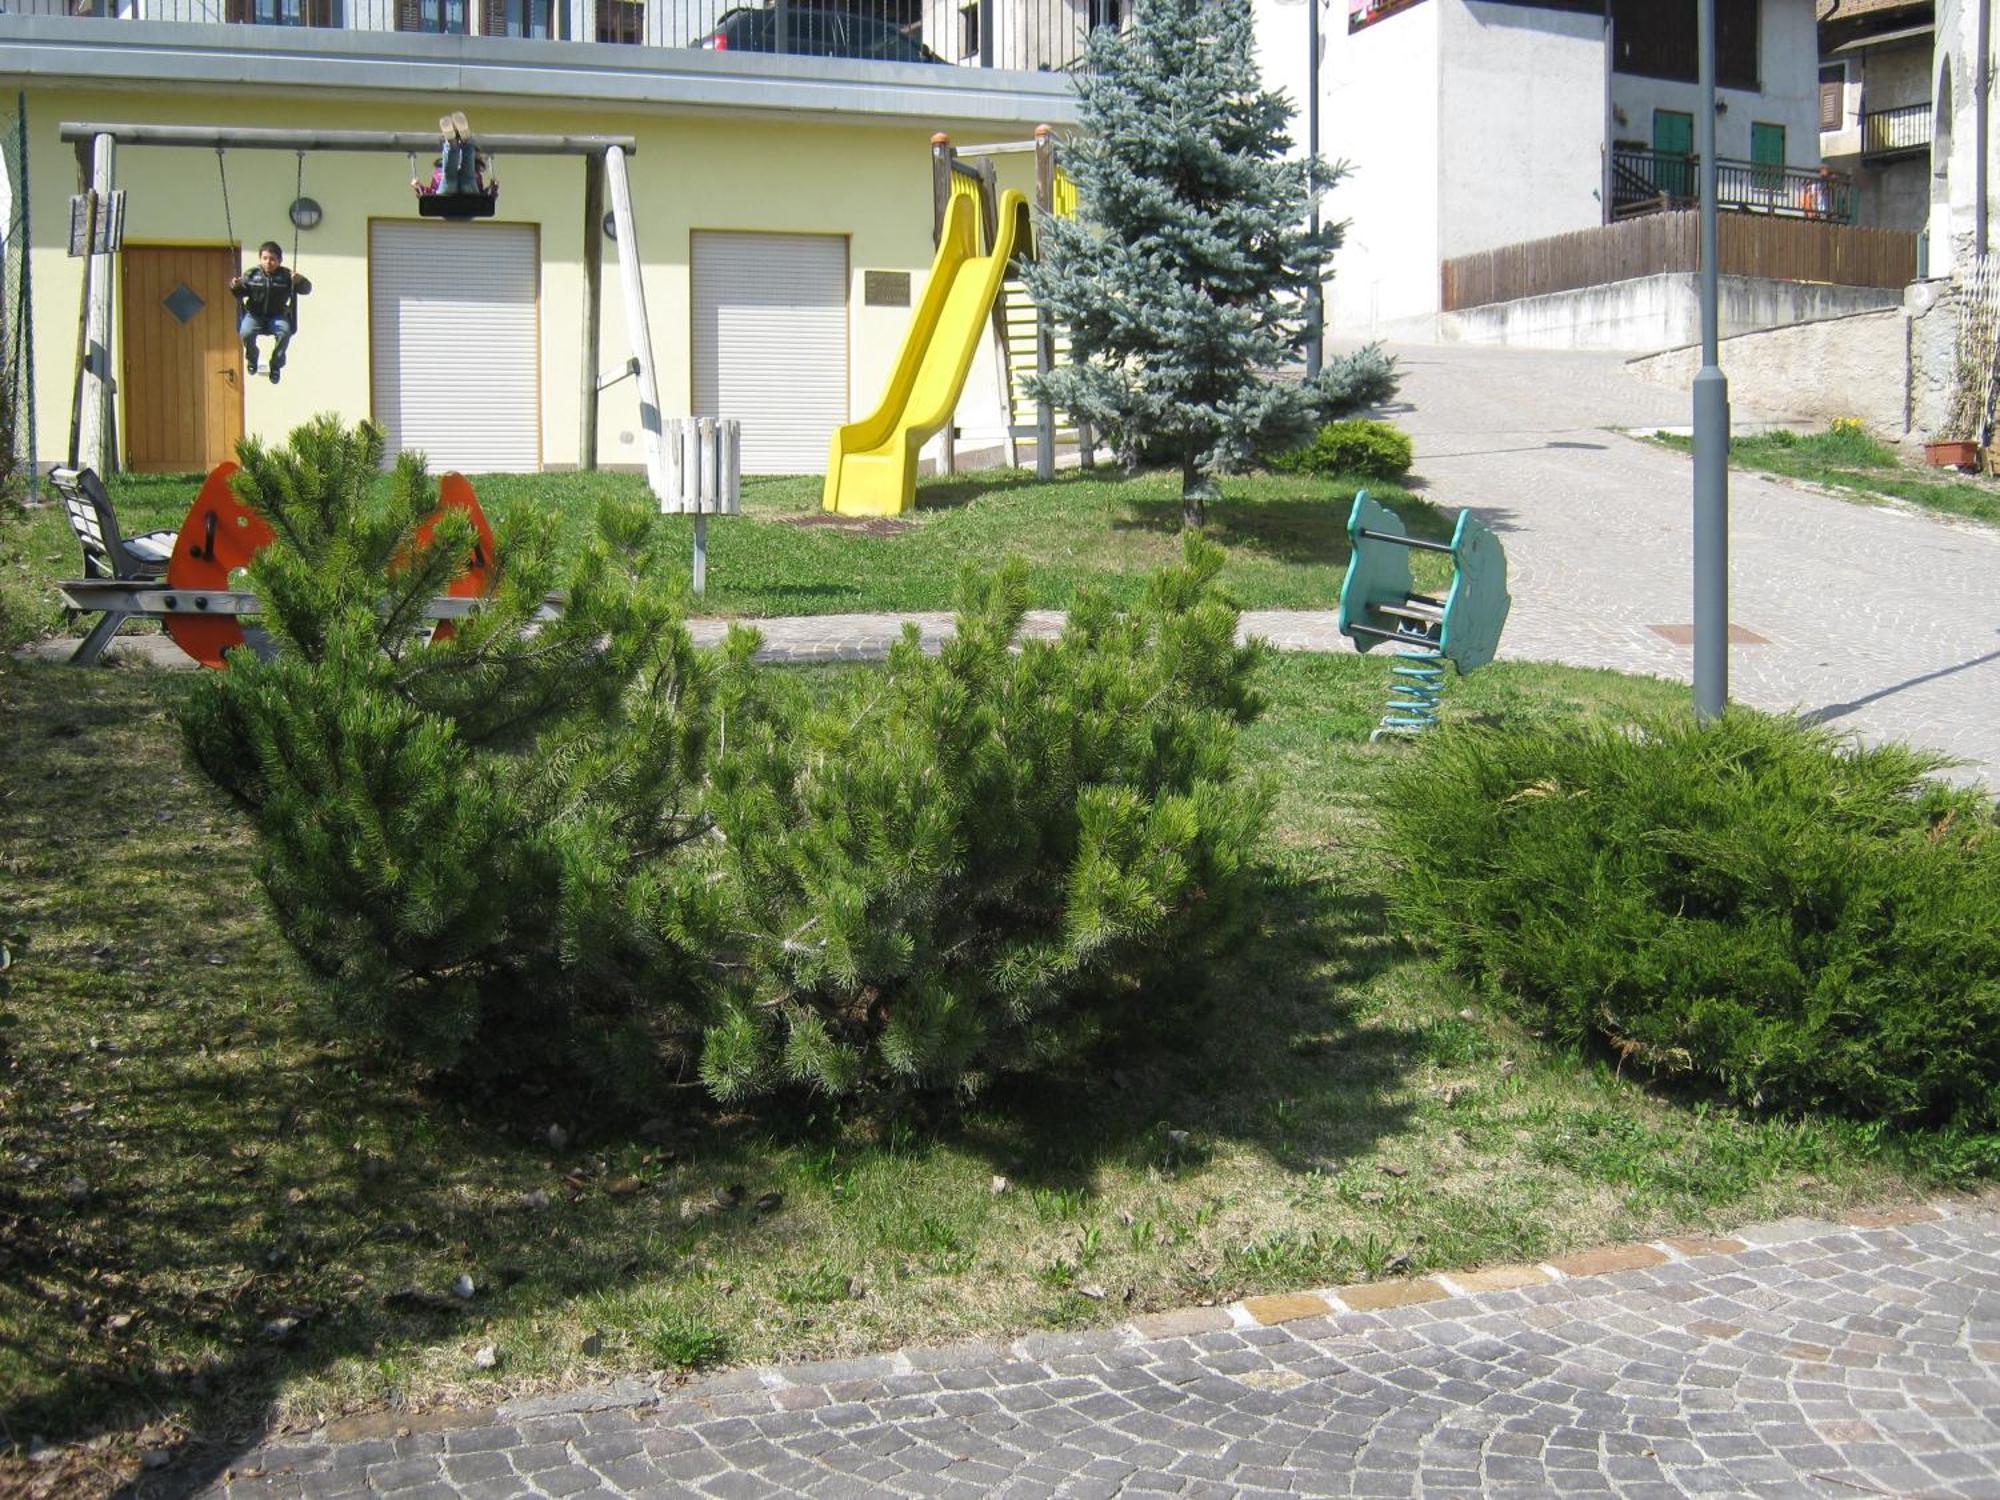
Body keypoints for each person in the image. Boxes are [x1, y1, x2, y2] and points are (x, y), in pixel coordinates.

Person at [229, 241, 310, 385]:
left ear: (279, 261)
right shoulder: (251, 274)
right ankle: (252, 358)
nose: (268, 262)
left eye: (272, 259)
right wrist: (235, 286)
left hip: (277, 315)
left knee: (285, 332)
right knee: (246, 332)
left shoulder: (286, 276)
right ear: (260, 259)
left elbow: (306, 289)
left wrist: (300, 281)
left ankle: (276, 365)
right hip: (254, 314)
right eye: (265, 258)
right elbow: (240, 293)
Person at [411, 111, 498, 202]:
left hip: (460, 195)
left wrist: (419, 187)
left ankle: (454, 142)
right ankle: (462, 141)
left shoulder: (472, 168)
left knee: (458, 179)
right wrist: (493, 189)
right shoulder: (441, 169)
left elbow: (432, 193)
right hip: (464, 196)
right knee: (458, 180)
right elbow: (485, 196)